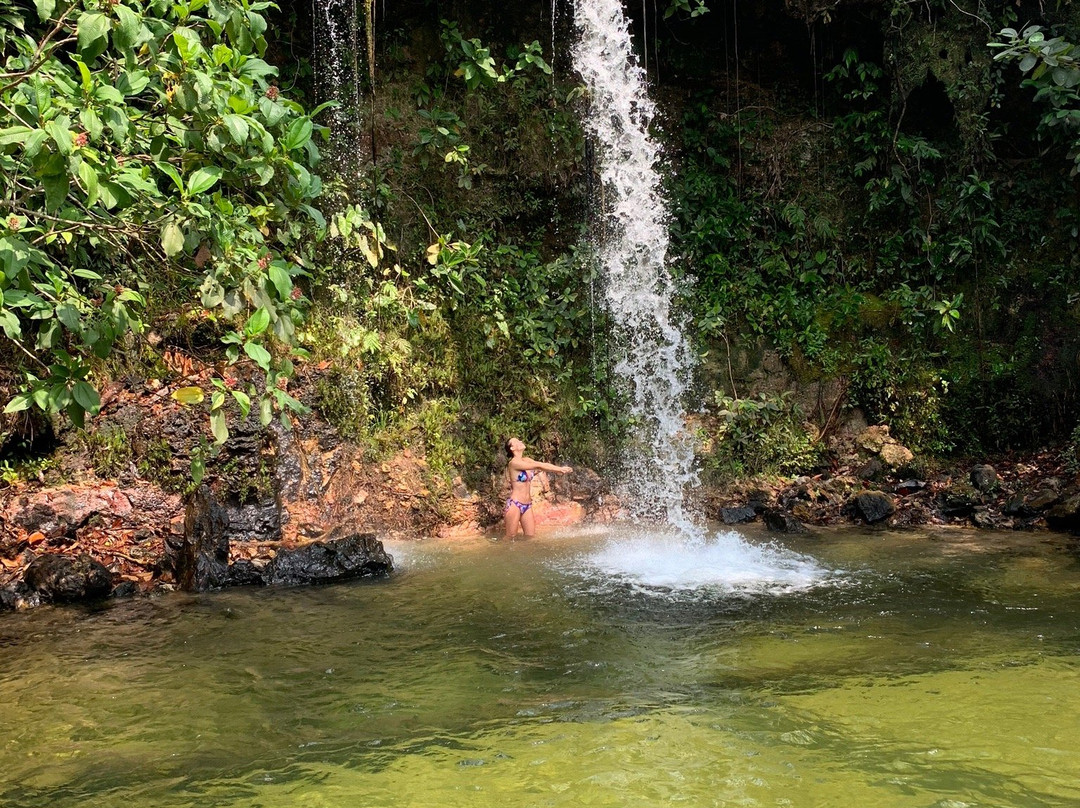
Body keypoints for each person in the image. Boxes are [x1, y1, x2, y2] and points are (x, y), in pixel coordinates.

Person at [502, 437, 573, 539]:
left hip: (527, 505)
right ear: (512, 448)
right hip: (515, 504)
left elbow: (541, 465)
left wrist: (557, 470)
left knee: (530, 537)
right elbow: (538, 465)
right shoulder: (513, 463)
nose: (521, 441)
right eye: (517, 441)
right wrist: (559, 469)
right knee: (510, 537)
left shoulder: (526, 460)